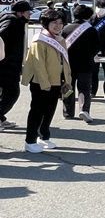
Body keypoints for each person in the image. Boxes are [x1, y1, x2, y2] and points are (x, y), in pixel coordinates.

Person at [21, 9, 72, 153]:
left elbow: (64, 62)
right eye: (54, 22)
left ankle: (43, 137)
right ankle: (30, 141)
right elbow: (38, 64)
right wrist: (45, 84)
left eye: (61, 23)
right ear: (46, 24)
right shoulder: (39, 40)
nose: (58, 25)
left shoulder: (60, 39)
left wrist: (67, 79)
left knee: (49, 111)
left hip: (56, 82)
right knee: (37, 111)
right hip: (41, 83)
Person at [62, 5, 99, 123]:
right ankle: (84, 110)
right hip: (85, 64)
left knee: (68, 87)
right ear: (88, 16)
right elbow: (96, 47)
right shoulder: (91, 29)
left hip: (68, 64)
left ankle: (68, 112)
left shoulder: (66, 29)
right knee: (84, 88)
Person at [0, 0, 32, 130]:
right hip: (6, 65)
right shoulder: (12, 21)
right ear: (20, 13)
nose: (30, 15)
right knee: (13, 93)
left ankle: (1, 118)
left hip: (8, 64)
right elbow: (1, 36)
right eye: (28, 12)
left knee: (5, 93)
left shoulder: (11, 19)